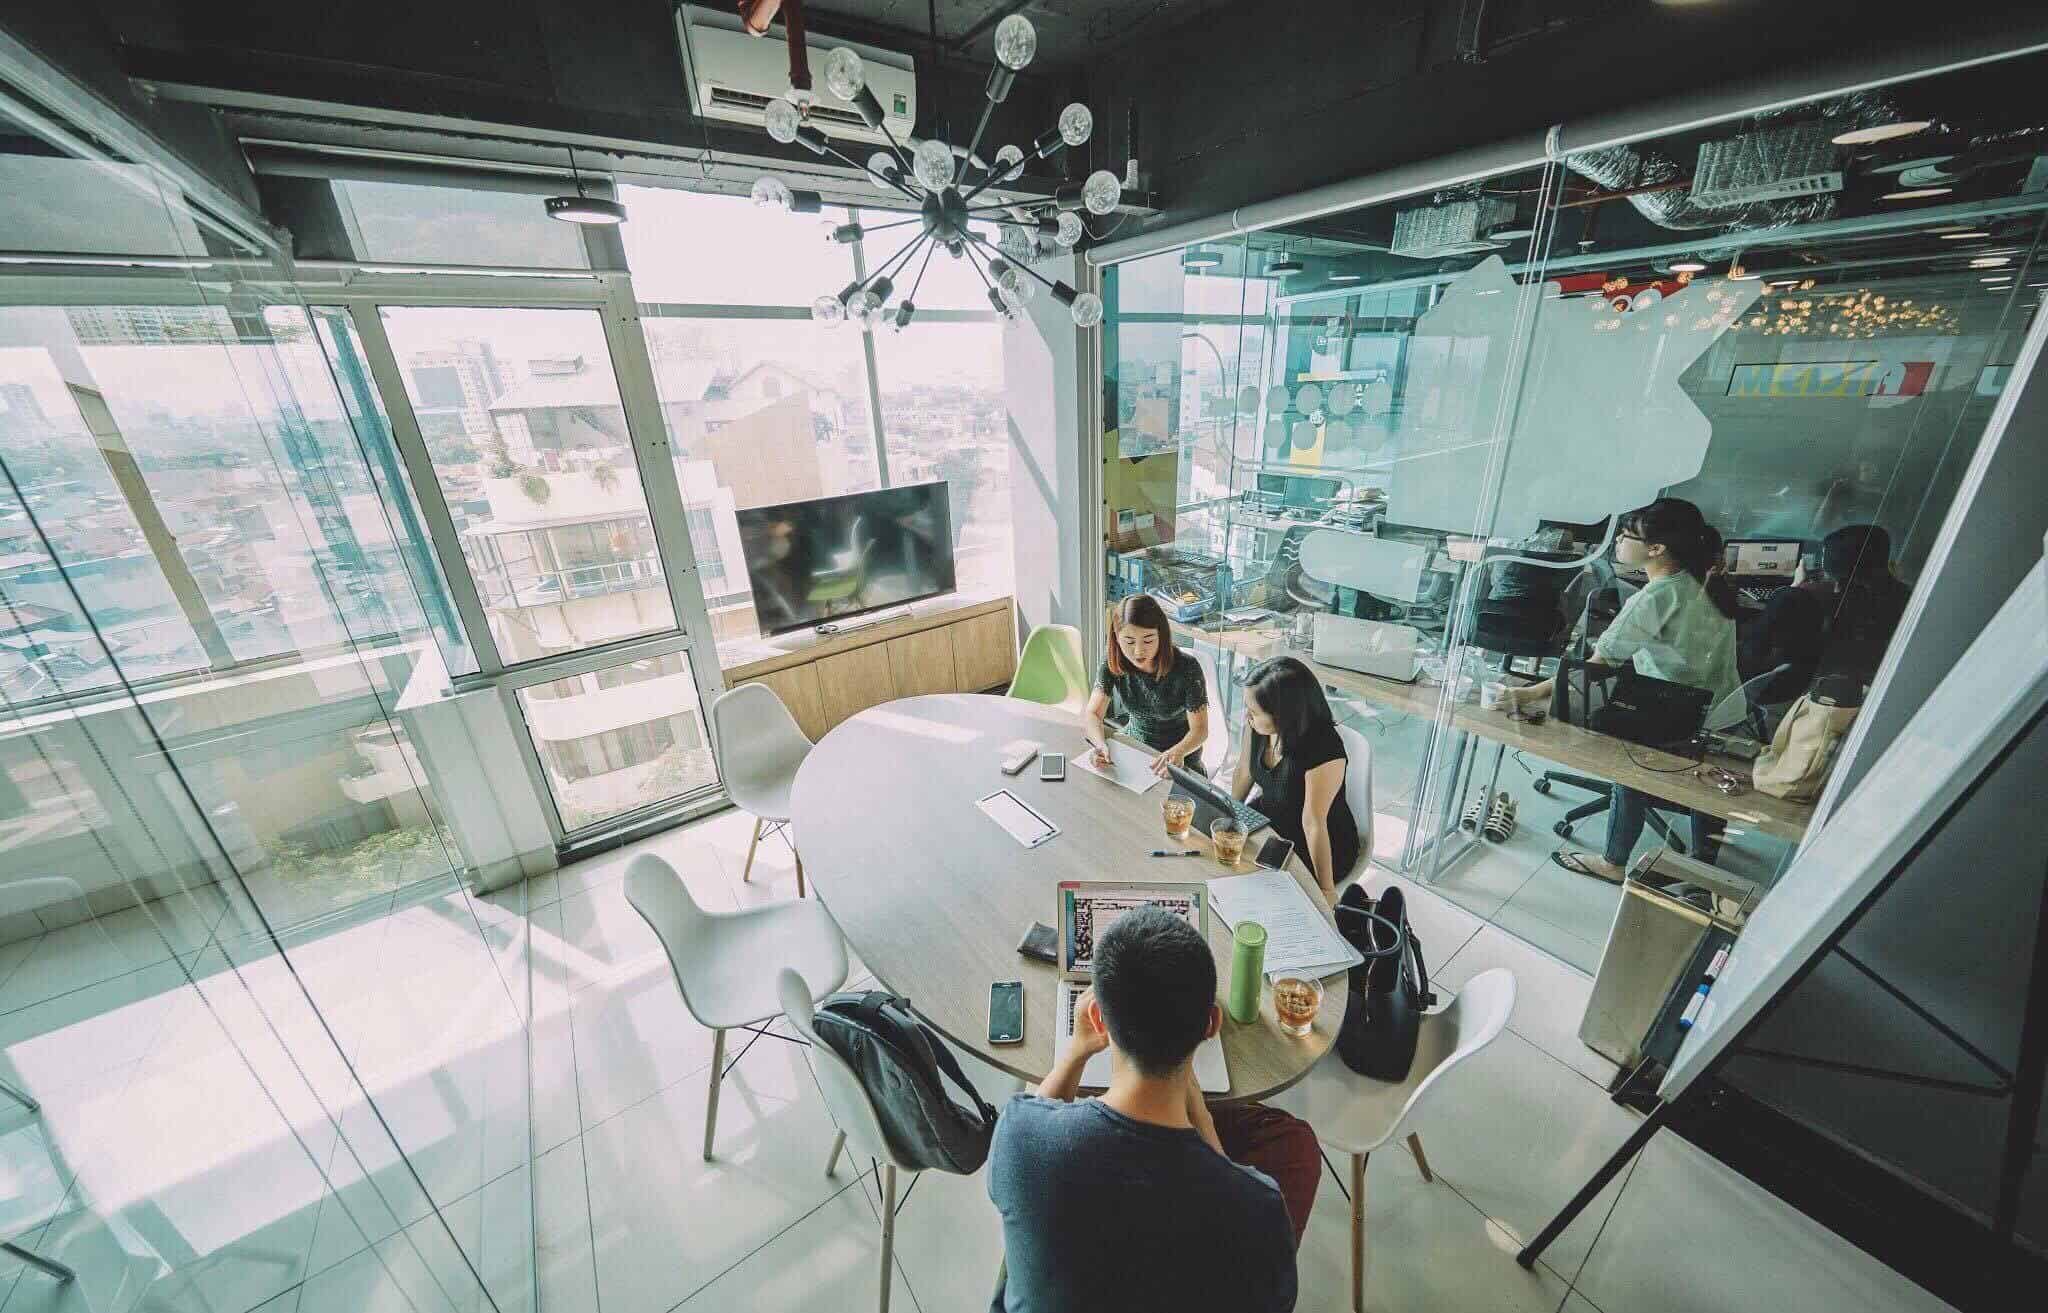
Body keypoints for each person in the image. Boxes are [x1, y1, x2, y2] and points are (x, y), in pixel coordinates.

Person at [986, 907, 1316, 1313]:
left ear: (1098, 1019)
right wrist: (1203, 1117)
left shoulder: (1019, 1139)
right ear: (1211, 1024)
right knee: (1292, 1140)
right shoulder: (1258, 1210)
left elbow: (1040, 1112)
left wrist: (1075, 1052)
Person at [1505, 497, 1741, 883]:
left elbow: (1598, 667)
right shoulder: (1707, 582)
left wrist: (1529, 694)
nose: (1616, 542)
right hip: (1725, 709)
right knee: (1708, 785)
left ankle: (1613, 864)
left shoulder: (1655, 597)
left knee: (1629, 772)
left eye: (1625, 535)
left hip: (1678, 713)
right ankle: (1701, 865)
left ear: (1656, 549)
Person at [1231, 656, 1360, 901]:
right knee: (1224, 857)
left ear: (1283, 714)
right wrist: (1227, 813)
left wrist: (1327, 890)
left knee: (1259, 890)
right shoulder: (1258, 726)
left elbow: (1313, 822)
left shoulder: (1324, 748)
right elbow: (1244, 771)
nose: (1247, 716)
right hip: (1272, 818)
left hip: (1318, 842)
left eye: (1254, 711)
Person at [1740, 524, 1909, 702]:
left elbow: (1756, 654)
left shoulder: (1812, 601)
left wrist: (1795, 589)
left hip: (1794, 691)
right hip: (1861, 694)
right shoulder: (1901, 599)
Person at [1085, 594, 1211, 778]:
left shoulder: (1187, 668)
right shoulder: (1113, 661)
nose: (1138, 651)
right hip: (1134, 748)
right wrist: (1099, 745)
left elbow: (1200, 730)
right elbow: (1093, 713)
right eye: (1129, 641)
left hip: (1179, 759)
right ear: (1116, 637)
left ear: (1162, 635)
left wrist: (1178, 752)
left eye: (1148, 640)